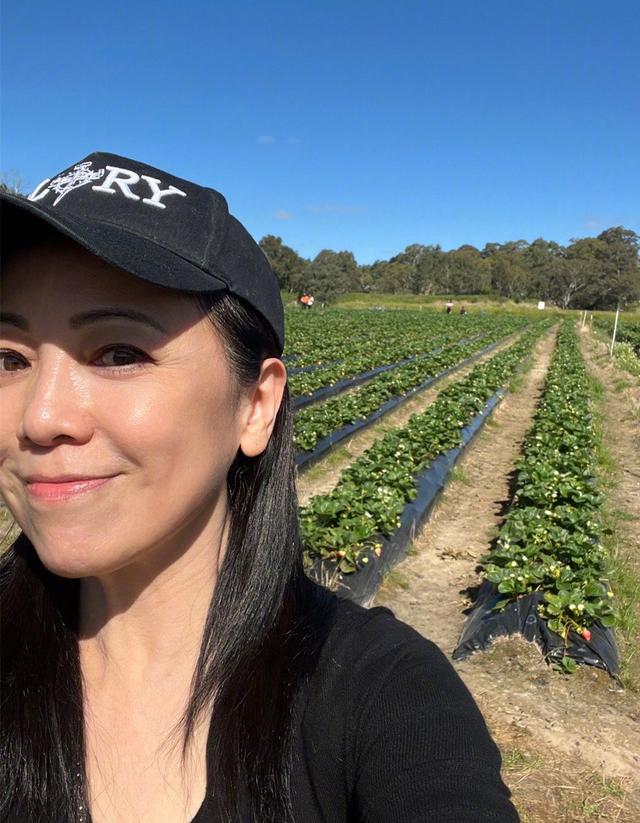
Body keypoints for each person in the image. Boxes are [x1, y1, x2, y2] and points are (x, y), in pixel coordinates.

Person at [0, 152, 519, 823]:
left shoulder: (383, 700)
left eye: (119, 353)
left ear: (256, 404)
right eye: (8, 358)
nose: (41, 417)